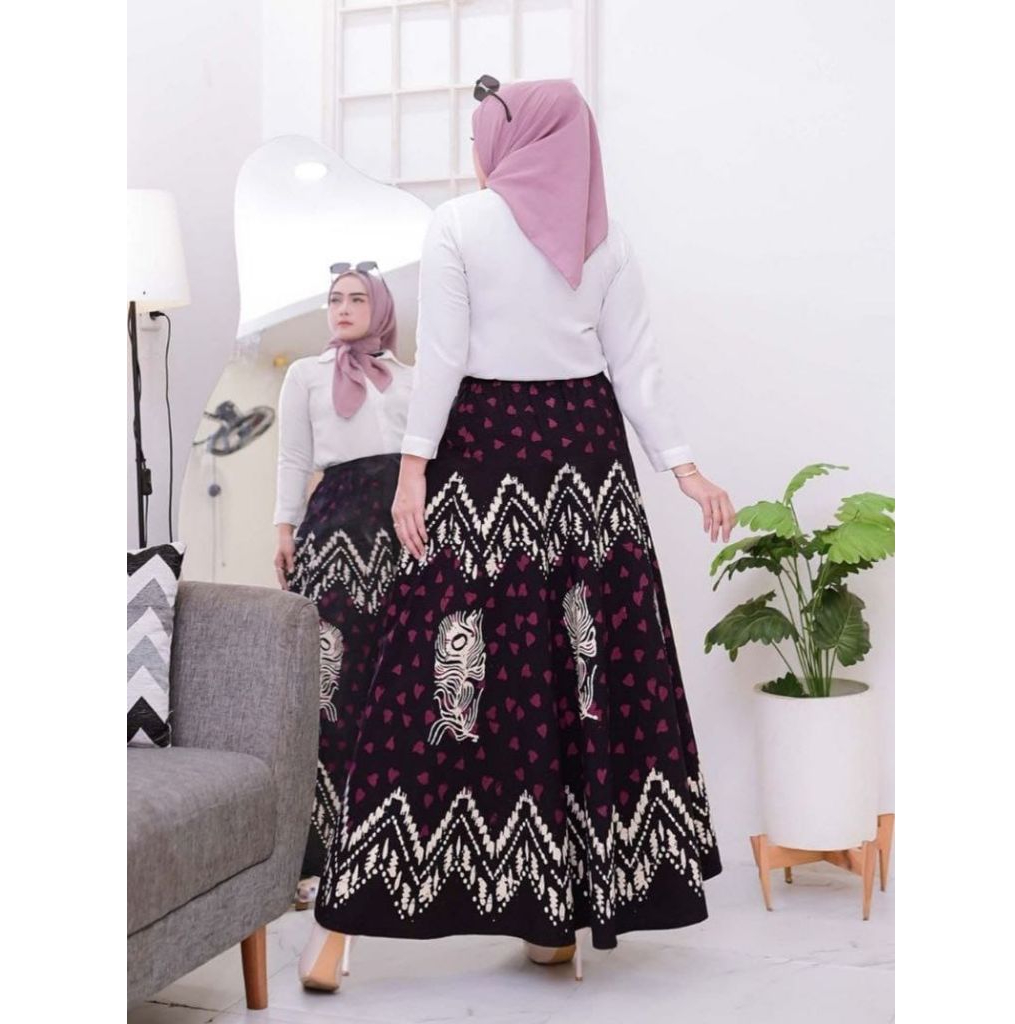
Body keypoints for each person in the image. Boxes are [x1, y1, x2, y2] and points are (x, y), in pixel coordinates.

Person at [298, 76, 737, 991]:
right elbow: (637, 368)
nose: (475, 154)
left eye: (481, 137)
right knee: (577, 678)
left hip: (485, 451)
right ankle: (553, 917)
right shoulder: (604, 235)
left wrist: (413, 467)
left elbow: (445, 358)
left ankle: (350, 928)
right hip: (585, 460)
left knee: (429, 674)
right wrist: (684, 466)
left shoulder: (459, 225)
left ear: (511, 141)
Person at [273, 262, 414, 910]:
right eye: (335, 298)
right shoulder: (306, 375)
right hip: (332, 533)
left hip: (401, 534)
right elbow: (293, 458)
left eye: (358, 298)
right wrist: (284, 529)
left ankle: (389, 847)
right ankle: (317, 859)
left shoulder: (411, 379)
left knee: (396, 688)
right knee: (329, 688)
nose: (344, 308)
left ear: (380, 308)